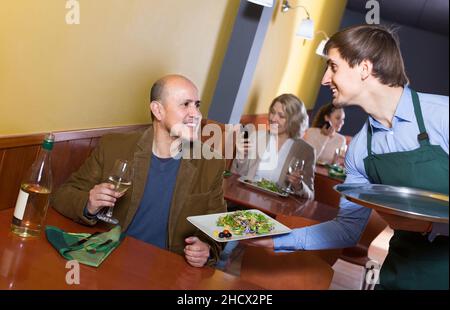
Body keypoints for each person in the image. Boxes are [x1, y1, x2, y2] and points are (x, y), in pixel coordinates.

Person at [243, 25, 449, 289]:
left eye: (333, 67)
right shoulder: (361, 149)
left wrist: (432, 228)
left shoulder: (442, 117)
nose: (325, 79)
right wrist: (276, 239)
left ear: (364, 68)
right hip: (402, 276)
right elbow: (347, 229)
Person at [51, 74, 227, 268]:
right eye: (185, 104)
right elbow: (63, 196)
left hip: (167, 271)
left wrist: (207, 249)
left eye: (197, 104)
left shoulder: (211, 163)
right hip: (107, 260)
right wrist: (89, 205)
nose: (196, 114)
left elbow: (218, 228)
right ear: (158, 110)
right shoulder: (113, 147)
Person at [231, 93, 315, 199]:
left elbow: (311, 196)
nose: (273, 118)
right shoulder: (256, 136)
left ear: (294, 121)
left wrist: (298, 185)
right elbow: (235, 176)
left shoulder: (306, 151)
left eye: (281, 116)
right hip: (245, 201)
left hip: (277, 209)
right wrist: (240, 158)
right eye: (272, 112)